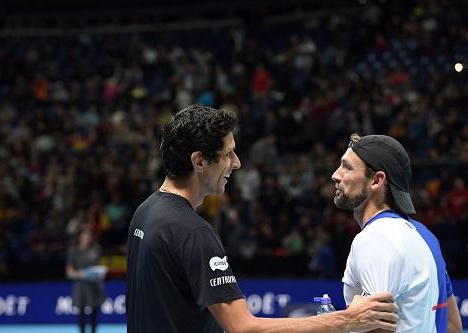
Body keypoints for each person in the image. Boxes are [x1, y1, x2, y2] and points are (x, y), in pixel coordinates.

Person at [126, 104, 398, 333]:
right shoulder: (193, 232)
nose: (237, 163)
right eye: (227, 154)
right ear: (198, 162)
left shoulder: (145, 212)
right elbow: (242, 327)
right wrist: (349, 319)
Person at [332, 133, 463, 333]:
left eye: (347, 167)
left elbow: (376, 329)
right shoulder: (425, 236)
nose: (336, 174)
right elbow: (452, 326)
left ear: (376, 180)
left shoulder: (375, 239)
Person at [66, 226, 106, 333]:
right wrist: (83, 274)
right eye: (84, 235)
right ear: (79, 237)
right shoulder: (73, 251)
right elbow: (69, 272)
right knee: (81, 315)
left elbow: (99, 266)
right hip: (80, 287)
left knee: (94, 313)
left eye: (89, 235)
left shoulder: (96, 248)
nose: (87, 237)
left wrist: (99, 272)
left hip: (94, 285)